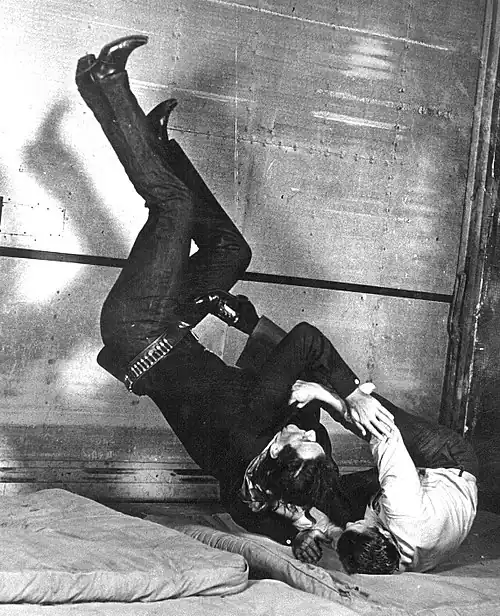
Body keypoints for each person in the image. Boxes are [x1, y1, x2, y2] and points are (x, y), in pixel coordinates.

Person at [75, 35, 394, 547]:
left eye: (302, 441)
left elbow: (307, 340)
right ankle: (155, 142)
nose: (309, 432)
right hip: (171, 329)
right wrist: (298, 529)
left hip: (139, 326)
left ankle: (107, 85)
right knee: (230, 251)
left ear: (275, 452)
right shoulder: (247, 490)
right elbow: (259, 509)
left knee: (173, 207)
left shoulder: (260, 418)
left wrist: (349, 393)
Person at [289, 380, 479, 573]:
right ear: (384, 535)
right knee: (370, 417)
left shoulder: (381, 558)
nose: (350, 523)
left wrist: (313, 531)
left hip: (426, 504)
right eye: (357, 525)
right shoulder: (402, 509)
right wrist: (339, 399)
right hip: (448, 462)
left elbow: (340, 533)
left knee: (327, 493)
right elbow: (385, 434)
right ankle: (322, 383)